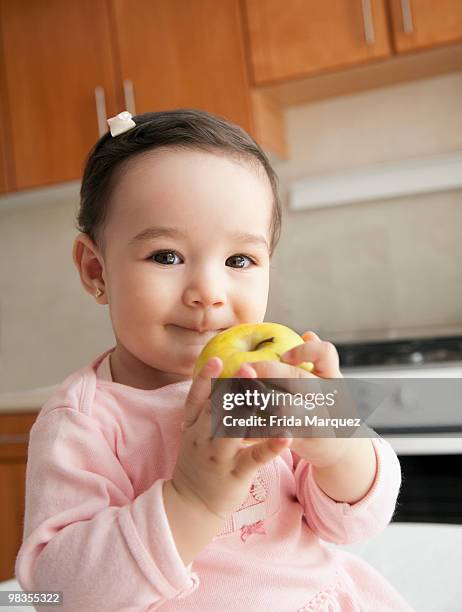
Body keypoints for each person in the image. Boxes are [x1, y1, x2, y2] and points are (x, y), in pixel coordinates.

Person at [15, 109, 414, 611]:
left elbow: (354, 523)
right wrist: (192, 498)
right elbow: (62, 592)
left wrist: (336, 444)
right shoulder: (85, 423)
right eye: (166, 256)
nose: (209, 291)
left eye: (238, 260)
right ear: (97, 270)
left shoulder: (272, 381)